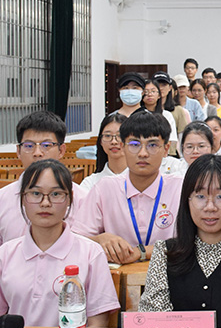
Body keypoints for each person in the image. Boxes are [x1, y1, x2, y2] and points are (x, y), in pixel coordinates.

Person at [0, 159, 120, 327]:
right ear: (23, 199)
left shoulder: (91, 254)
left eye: (56, 194)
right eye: (36, 194)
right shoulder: (4, 255)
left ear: (69, 200)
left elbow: (98, 324)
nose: (45, 203)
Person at [138, 155, 221, 328]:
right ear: (187, 200)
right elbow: (154, 320)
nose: (210, 207)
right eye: (200, 196)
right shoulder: (164, 252)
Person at [0, 111, 87, 270]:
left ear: (61, 150)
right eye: (29, 146)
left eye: (46, 145)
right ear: (18, 151)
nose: (37, 153)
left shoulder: (84, 199)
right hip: (13, 283)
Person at [72, 112, 183, 265]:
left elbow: (195, 241)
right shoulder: (104, 189)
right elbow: (76, 239)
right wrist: (99, 239)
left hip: (171, 274)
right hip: (118, 277)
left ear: (166, 149)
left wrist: (142, 252)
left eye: (152, 145)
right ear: (123, 147)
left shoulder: (181, 188)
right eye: (134, 145)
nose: (143, 153)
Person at [80, 112, 129, 192]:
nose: (114, 142)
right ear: (100, 141)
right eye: (108, 136)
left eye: (120, 136)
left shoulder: (141, 180)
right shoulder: (90, 183)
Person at [154, 72, 190, 150]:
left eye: (164, 85)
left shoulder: (178, 110)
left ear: (170, 88)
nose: (161, 88)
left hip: (172, 152)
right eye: (157, 85)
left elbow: (182, 136)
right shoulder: (148, 110)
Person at [142, 79, 178, 152]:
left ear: (159, 95)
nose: (150, 94)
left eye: (153, 91)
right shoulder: (137, 114)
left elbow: (172, 139)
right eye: (146, 91)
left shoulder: (167, 115)